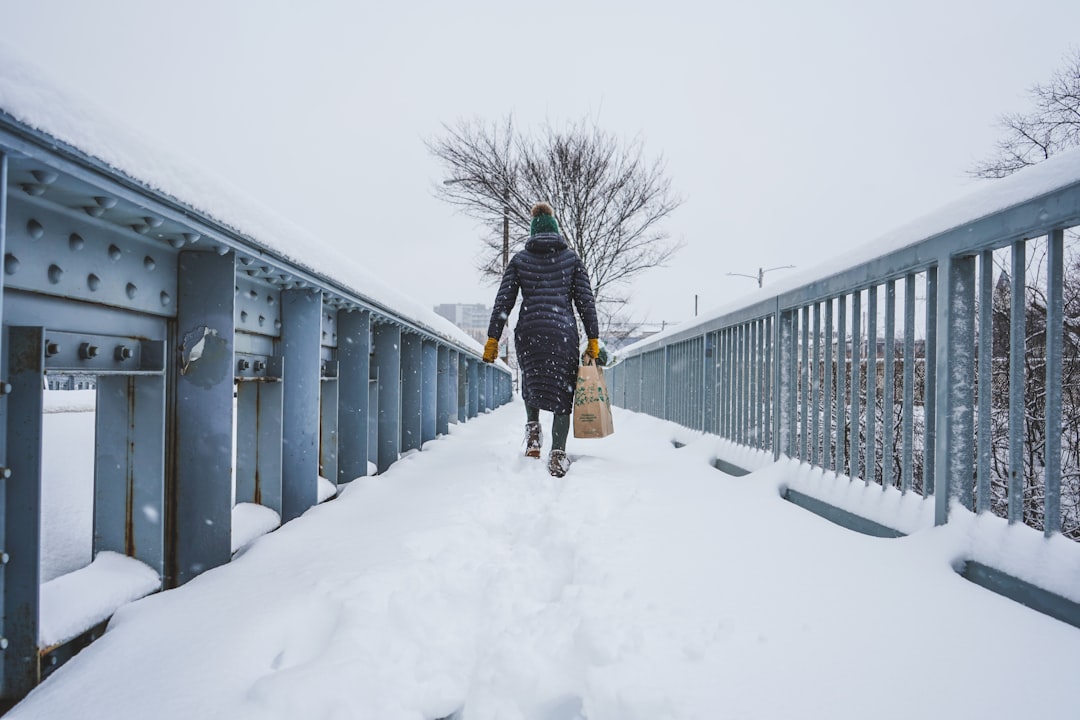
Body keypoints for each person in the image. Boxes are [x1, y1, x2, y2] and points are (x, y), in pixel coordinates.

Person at [482, 201, 600, 477]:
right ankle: (558, 454)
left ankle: (533, 435)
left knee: (533, 381)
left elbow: (504, 302)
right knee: (563, 391)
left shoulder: (520, 260)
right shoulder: (571, 259)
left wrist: (492, 339)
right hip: (562, 334)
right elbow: (586, 301)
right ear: (556, 231)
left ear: (533, 232)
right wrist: (593, 338)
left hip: (530, 332)